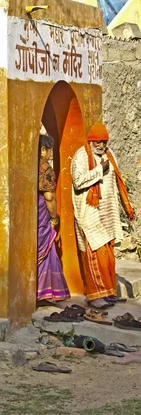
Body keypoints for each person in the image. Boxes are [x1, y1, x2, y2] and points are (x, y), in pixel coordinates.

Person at [71, 122, 135, 309]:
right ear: (91, 141)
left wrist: (126, 205)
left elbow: (117, 180)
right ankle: (94, 296)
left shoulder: (110, 154)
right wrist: (100, 170)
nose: (101, 145)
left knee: (108, 255)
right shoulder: (81, 156)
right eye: (97, 142)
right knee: (94, 254)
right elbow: (77, 182)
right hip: (89, 213)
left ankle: (108, 292)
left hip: (108, 212)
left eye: (103, 142)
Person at [37, 134, 70, 302]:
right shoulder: (45, 168)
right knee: (45, 249)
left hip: (31, 213)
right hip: (42, 214)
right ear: (43, 150)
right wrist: (54, 219)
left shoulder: (30, 165)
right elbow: (49, 197)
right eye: (49, 150)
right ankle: (43, 291)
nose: (50, 154)